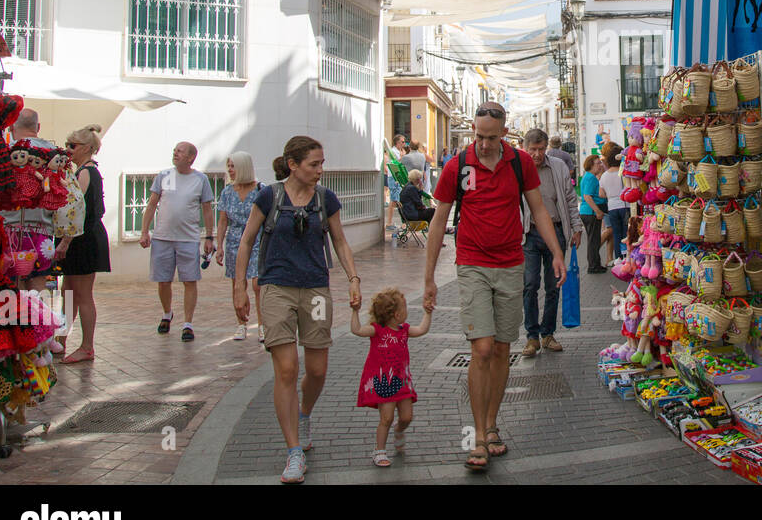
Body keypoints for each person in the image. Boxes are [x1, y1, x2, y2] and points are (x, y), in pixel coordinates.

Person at [424, 102, 564, 472]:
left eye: (490, 137)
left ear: (504, 134)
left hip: (510, 263)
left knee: (502, 349)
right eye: (478, 136)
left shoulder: (518, 163)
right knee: (482, 348)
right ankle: (478, 432)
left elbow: (538, 210)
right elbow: (438, 222)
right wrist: (428, 279)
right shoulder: (458, 166)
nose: (483, 144)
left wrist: (556, 253)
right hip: (471, 264)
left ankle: (491, 425)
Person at [233, 136, 362, 484]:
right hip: (276, 288)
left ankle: (304, 414)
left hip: (316, 290)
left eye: (322, 164)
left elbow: (339, 240)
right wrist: (240, 287)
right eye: (314, 164)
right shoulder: (269, 196)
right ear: (293, 164)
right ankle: (292, 452)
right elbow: (247, 240)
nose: (320, 170)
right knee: (287, 369)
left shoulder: (325, 199)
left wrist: (353, 278)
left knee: (317, 369)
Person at [139, 142, 215, 341]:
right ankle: (166, 314)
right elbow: (152, 204)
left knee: (189, 280)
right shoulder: (164, 176)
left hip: (188, 239)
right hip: (162, 238)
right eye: (174, 151)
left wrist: (209, 236)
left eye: (180, 151)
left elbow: (207, 209)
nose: (175, 153)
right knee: (163, 281)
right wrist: (144, 231)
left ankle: (188, 324)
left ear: (191, 157)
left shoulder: (201, 180)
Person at [351, 287, 431, 467]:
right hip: (385, 384)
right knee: (385, 418)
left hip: (402, 383)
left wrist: (428, 314)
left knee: (407, 417)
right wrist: (355, 312)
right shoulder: (377, 331)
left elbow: (422, 330)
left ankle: (399, 430)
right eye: (405, 308)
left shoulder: (405, 330)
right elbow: (356, 330)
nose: (407, 312)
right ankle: (379, 450)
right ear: (396, 314)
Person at [521, 128, 582, 356]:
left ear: (546, 148)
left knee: (553, 285)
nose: (536, 154)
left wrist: (576, 227)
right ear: (525, 148)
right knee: (529, 285)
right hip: (529, 233)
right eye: (532, 150)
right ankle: (531, 337)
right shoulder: (519, 169)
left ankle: (547, 334)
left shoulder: (558, 166)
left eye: (540, 149)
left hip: (556, 231)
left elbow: (569, 198)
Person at [55, 124, 108, 364]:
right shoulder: (82, 171)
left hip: (84, 238)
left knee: (83, 294)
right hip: (80, 237)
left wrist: (65, 242)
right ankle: (61, 339)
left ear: (87, 148)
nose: (68, 150)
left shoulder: (86, 172)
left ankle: (87, 346)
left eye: (72, 145)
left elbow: (76, 211)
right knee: (68, 291)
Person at [5, 108, 67, 292]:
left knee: (13, 291)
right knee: (38, 289)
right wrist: (66, 240)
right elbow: (70, 199)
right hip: (43, 232)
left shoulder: (7, 154)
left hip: (9, 231)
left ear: (11, 128)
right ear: (38, 127)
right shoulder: (55, 155)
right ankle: (38, 320)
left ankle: (19, 320)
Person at [215, 151, 265, 342]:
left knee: (257, 284)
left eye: (233, 165)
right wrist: (219, 246)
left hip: (256, 240)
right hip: (235, 242)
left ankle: (262, 326)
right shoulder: (227, 192)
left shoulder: (261, 190)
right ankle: (241, 324)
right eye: (228, 166)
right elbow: (222, 221)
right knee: (238, 283)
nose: (230, 170)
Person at [599, 146, 627, 268]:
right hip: (625, 205)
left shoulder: (604, 175)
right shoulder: (624, 172)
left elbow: (601, 194)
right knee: (626, 233)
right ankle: (627, 256)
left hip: (612, 207)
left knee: (616, 233)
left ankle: (618, 258)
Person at [578, 155, 607, 274]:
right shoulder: (590, 178)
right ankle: (593, 266)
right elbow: (587, 196)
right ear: (591, 165)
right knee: (593, 240)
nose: (600, 165)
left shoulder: (589, 176)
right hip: (590, 212)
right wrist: (597, 211)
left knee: (593, 239)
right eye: (597, 163)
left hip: (587, 211)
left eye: (600, 163)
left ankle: (595, 264)